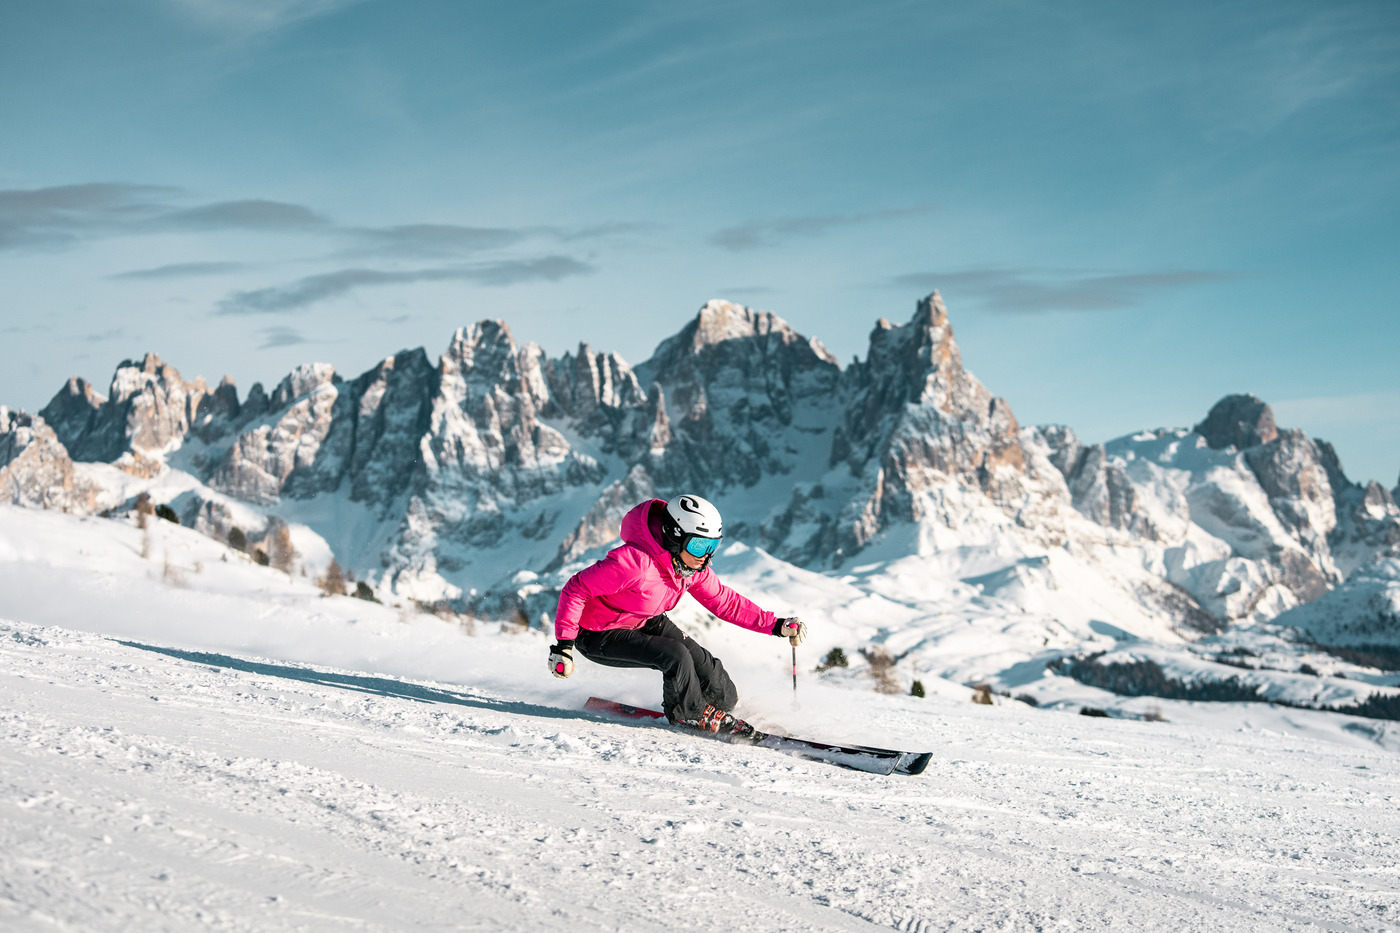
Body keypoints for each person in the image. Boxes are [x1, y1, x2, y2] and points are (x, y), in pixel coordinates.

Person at [548, 494, 806, 737]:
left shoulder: (690, 566)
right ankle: (688, 713)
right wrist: (564, 646)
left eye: (712, 546)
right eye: (699, 545)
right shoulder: (633, 563)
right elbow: (576, 589)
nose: (705, 555)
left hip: (644, 619)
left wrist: (776, 625)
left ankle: (707, 705)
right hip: (597, 633)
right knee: (675, 656)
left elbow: (724, 601)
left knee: (715, 681)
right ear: (675, 536)